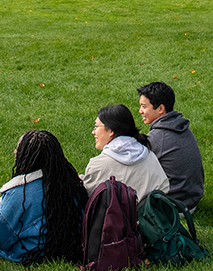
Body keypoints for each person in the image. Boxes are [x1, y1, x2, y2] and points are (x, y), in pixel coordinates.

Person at [0, 130, 88, 264]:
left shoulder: (20, 193)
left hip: (30, 251)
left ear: (27, 156)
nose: (15, 152)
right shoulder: (71, 182)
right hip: (67, 246)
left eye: (18, 148)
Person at [82, 104, 169, 205]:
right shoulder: (148, 154)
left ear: (111, 131)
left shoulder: (98, 164)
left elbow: (87, 198)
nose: (93, 132)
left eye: (96, 126)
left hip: (117, 220)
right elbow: (164, 187)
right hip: (154, 217)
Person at [138, 81, 205, 210]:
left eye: (144, 106)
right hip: (191, 200)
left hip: (173, 207)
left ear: (161, 109)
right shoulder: (181, 127)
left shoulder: (159, 137)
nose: (140, 111)